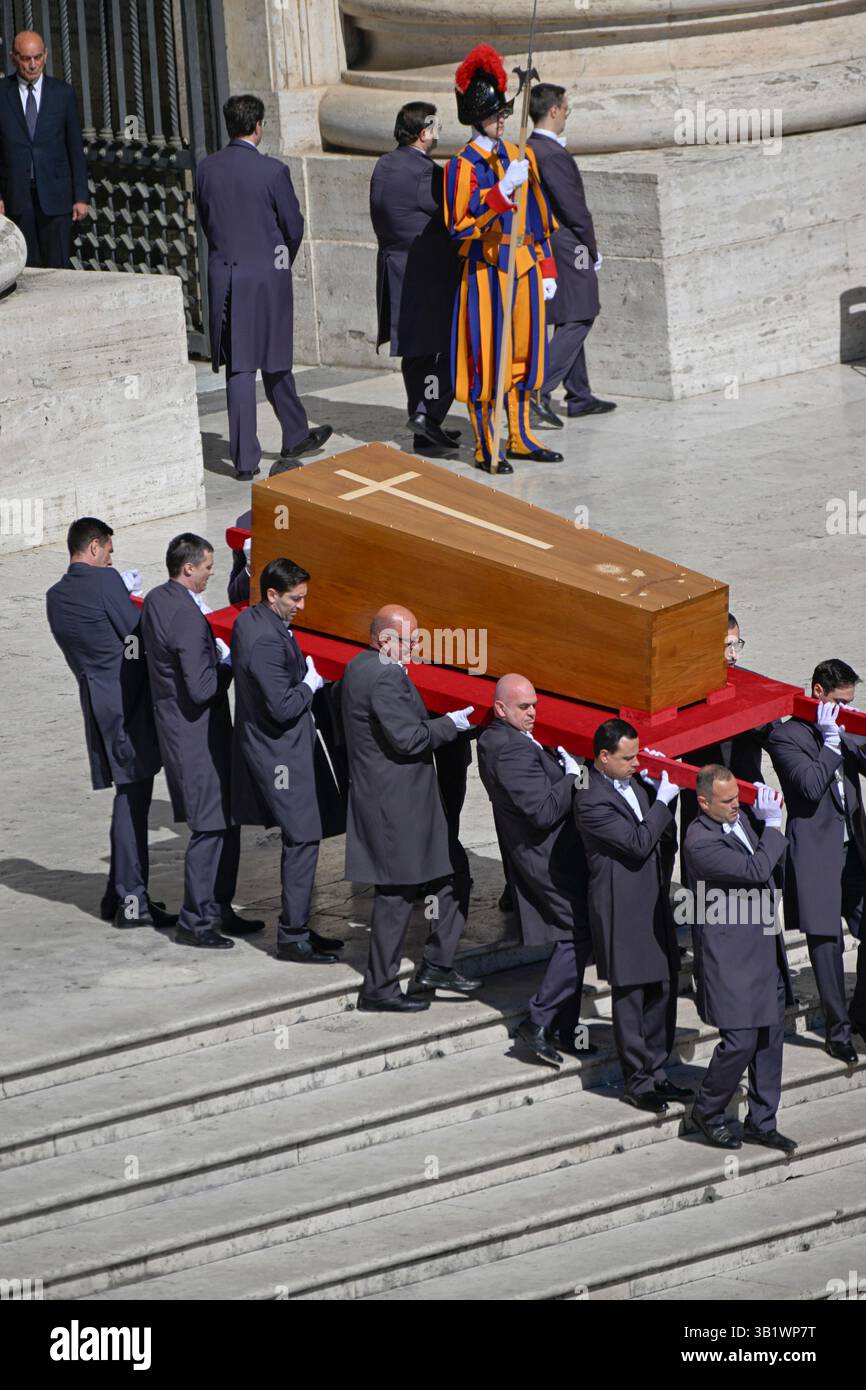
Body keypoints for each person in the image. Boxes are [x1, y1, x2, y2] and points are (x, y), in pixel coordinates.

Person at [337, 604, 482, 1011]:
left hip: (395, 802)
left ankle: (435, 963)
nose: (417, 645)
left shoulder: (361, 667)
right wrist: (451, 725)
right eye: (410, 639)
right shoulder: (385, 676)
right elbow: (408, 739)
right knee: (397, 895)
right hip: (397, 808)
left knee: (448, 876)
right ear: (385, 640)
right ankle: (380, 988)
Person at [195, 94, 332, 481]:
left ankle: (249, 458)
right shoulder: (272, 171)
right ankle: (293, 433)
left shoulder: (206, 169)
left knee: (240, 369)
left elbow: (207, 222)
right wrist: (279, 259)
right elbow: (294, 225)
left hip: (228, 276)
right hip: (267, 278)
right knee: (275, 359)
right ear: (258, 126)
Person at [46, 517, 173, 930]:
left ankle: (115, 892)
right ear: (95, 546)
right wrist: (129, 598)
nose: (112, 557)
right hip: (126, 705)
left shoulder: (56, 595)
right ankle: (131, 899)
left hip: (96, 702)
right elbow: (137, 641)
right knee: (132, 799)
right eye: (110, 550)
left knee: (129, 793)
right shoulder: (105, 583)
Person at [141, 534, 264, 949]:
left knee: (225, 823)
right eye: (208, 566)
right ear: (188, 567)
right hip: (196, 736)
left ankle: (218, 907)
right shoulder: (188, 619)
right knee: (210, 827)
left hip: (185, 730)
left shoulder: (159, 598)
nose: (213, 573)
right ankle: (196, 920)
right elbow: (201, 687)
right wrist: (227, 661)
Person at [445, 44, 563, 472]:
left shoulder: (519, 155)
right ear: (479, 117)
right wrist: (498, 193)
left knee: (523, 355)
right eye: (497, 114)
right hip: (486, 272)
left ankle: (519, 435)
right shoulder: (461, 166)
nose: (504, 119)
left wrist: (546, 267)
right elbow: (459, 223)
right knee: (487, 357)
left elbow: (539, 219)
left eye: (505, 112)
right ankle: (485, 443)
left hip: (524, 269)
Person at [478, 673, 595, 1066]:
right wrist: (571, 776)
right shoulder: (507, 750)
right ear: (500, 709)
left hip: (551, 854)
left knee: (574, 932)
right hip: (544, 858)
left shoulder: (509, 738)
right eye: (524, 707)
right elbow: (542, 810)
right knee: (577, 933)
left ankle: (565, 1028)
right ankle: (539, 1020)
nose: (532, 714)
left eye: (534, 705)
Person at [231, 558, 344, 964]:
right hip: (279, 754)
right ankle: (292, 935)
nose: (301, 606)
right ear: (272, 594)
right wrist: (310, 685)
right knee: (302, 838)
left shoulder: (256, 621)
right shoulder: (264, 638)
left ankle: (299, 922)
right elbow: (281, 706)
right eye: (295, 599)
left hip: (282, 748)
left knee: (306, 835)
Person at [575, 719, 690, 1112]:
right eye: (628, 757)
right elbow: (639, 842)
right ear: (603, 757)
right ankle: (637, 1081)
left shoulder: (634, 783)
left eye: (637, 755)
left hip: (652, 900)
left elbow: (659, 836)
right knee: (631, 994)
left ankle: (657, 1073)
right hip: (620, 906)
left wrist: (659, 796)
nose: (636, 764)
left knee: (661, 987)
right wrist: (663, 801)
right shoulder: (589, 795)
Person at [685, 767, 796, 1153]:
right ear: (703, 802)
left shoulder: (741, 822)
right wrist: (773, 827)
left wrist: (766, 828)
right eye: (727, 801)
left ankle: (762, 1122)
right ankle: (709, 1109)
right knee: (740, 1040)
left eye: (737, 797)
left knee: (769, 1038)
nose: (736, 805)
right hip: (729, 957)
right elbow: (755, 869)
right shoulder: (700, 841)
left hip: (761, 947)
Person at [768, 659, 866, 1063]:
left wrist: (848, 733)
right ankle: (838, 1030)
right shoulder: (786, 736)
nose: (846, 710)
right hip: (815, 854)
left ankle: (861, 1013)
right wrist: (829, 742)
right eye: (840, 702)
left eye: (851, 703)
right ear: (818, 693)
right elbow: (807, 787)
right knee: (826, 948)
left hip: (854, 850)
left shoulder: (846, 727)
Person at [370, 102, 461, 458]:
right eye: (435, 127)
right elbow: (452, 219)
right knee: (454, 350)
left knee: (417, 355)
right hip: (427, 274)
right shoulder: (427, 174)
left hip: (395, 271)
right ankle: (428, 413)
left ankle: (424, 430)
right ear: (424, 133)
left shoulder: (383, 165)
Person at [527, 83, 615, 426]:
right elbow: (575, 210)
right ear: (553, 111)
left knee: (569, 313)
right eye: (565, 108)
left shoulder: (530, 149)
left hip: (553, 243)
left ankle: (579, 394)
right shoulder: (550, 153)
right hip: (568, 244)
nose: (566, 113)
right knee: (582, 314)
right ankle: (538, 390)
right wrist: (590, 249)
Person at [679, 612, 775, 862]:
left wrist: (756, 721)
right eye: (727, 646)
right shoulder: (687, 690)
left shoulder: (752, 684)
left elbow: (774, 734)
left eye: (737, 644)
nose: (734, 654)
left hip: (744, 791)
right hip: (702, 798)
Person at [0, 29, 89, 268]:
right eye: (26, 58)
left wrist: (81, 196)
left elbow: (74, 147)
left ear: (46, 56)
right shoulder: (2, 93)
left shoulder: (63, 94)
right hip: (17, 196)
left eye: (37, 57)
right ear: (13, 57)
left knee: (57, 267)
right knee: (25, 266)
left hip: (57, 195)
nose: (32, 64)